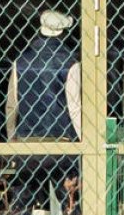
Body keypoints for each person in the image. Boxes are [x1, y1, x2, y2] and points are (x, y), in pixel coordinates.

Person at [5, 10, 81, 142]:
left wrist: (11, 136)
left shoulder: (21, 61)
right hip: (60, 136)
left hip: (27, 136)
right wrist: (82, 139)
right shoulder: (70, 63)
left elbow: (12, 104)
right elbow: (74, 106)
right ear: (63, 32)